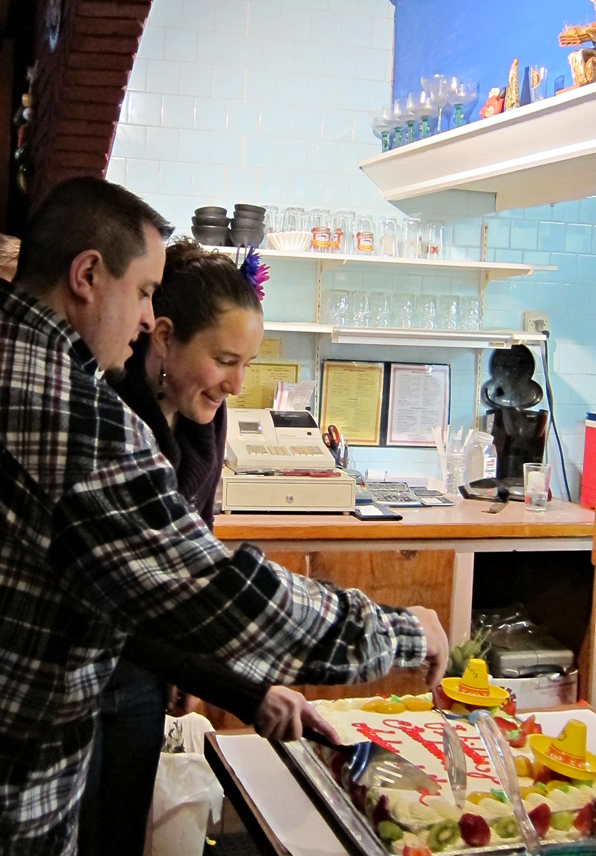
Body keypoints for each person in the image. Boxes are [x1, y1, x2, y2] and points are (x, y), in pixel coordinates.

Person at [1, 176, 448, 856]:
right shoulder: (77, 418)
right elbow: (217, 594)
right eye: (145, 292)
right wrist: (401, 632)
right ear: (88, 274)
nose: (146, 318)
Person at [79, 238, 335, 856]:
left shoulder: (204, 420)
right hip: (83, 682)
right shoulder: (111, 422)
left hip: (141, 678)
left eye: (248, 363)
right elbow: (140, 596)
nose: (238, 385)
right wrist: (244, 687)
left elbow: (197, 549)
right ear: (163, 337)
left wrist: (188, 660)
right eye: (225, 360)